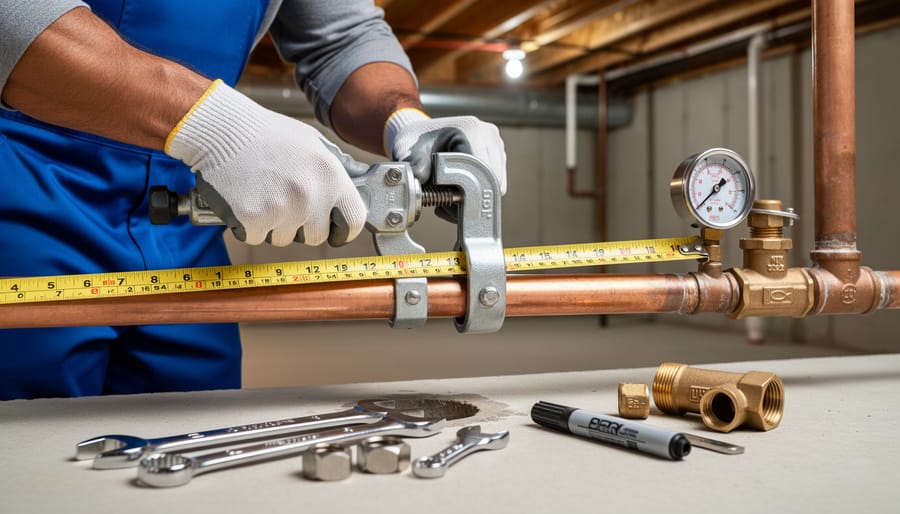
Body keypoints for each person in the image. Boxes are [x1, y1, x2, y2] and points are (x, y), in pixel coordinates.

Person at [0, 0, 507, 400]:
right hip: (25, 188)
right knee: (28, 445)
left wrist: (407, 121)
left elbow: (343, 36)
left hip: (186, 215)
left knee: (191, 435)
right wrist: (213, 124)